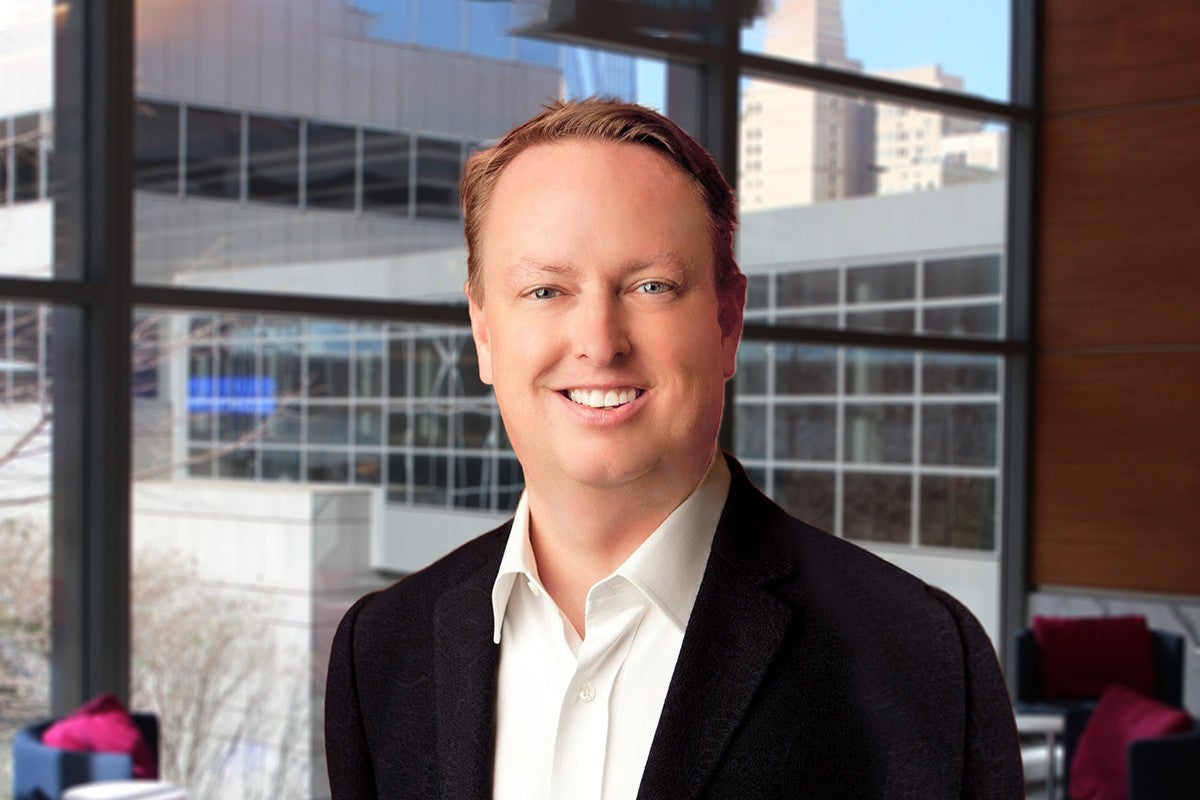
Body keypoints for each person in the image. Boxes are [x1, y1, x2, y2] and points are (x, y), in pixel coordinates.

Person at [324, 98, 1023, 799]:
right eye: (545, 290)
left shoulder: (918, 660)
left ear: (727, 321)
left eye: (651, 286)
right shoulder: (380, 655)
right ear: (483, 331)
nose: (600, 342)